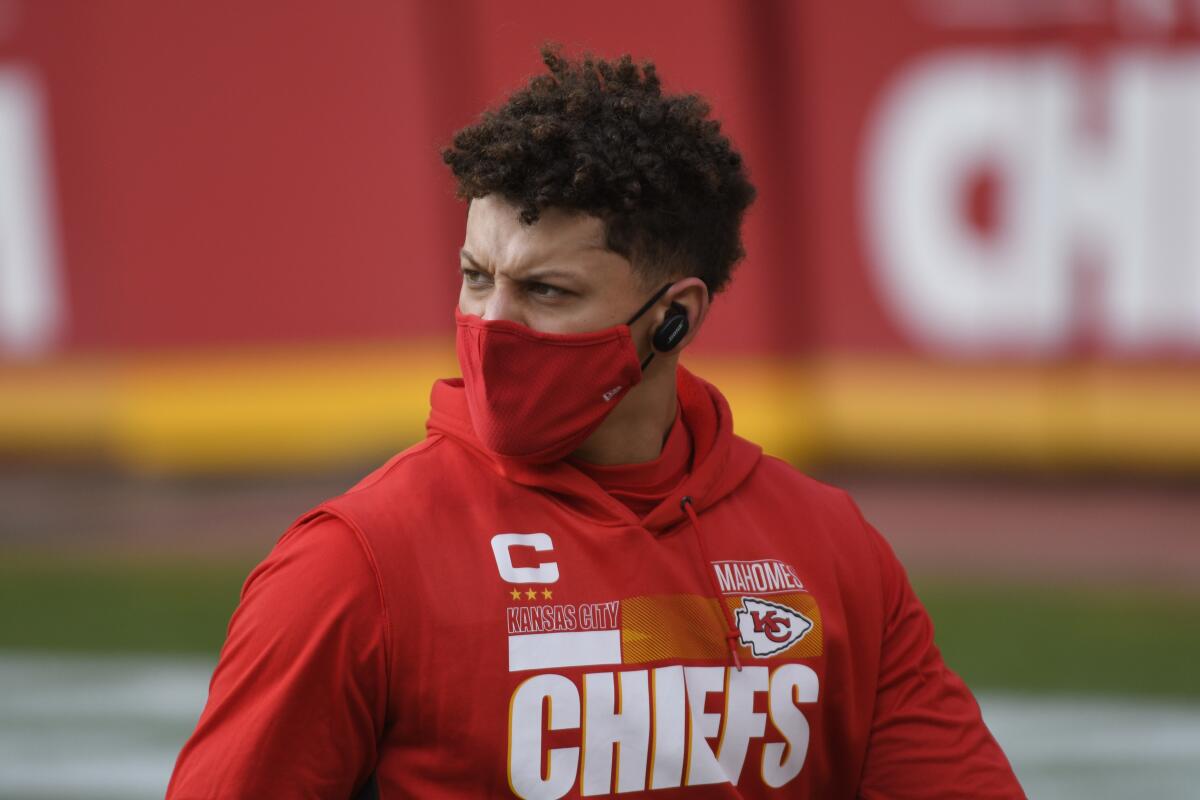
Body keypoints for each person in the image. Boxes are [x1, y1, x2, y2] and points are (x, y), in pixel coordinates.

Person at [167, 45, 1024, 799]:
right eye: (475, 276)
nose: (492, 325)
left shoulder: (830, 550)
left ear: (674, 316)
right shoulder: (356, 565)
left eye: (547, 292)